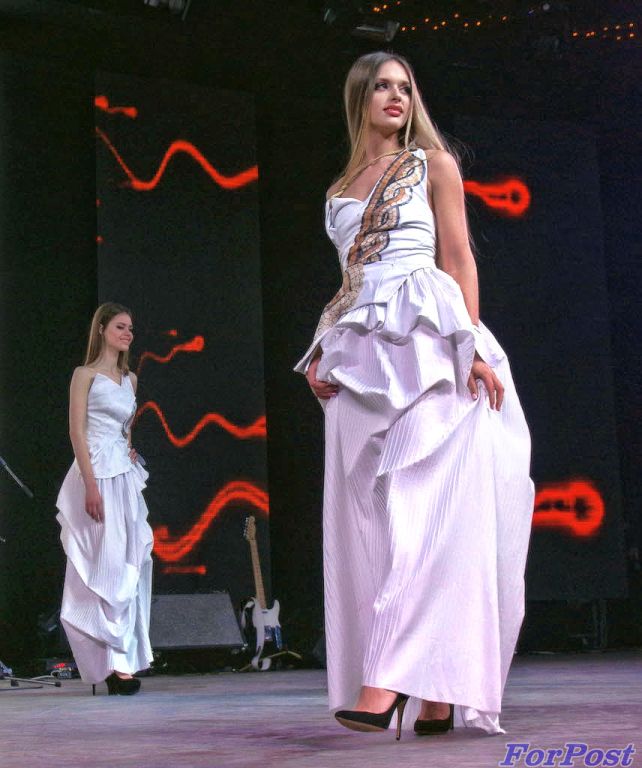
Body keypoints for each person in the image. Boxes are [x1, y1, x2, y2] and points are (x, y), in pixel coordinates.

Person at [294, 52, 534, 737]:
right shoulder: (339, 189)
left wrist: (473, 347)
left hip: (429, 342)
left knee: (427, 516)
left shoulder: (433, 165)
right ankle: (435, 691)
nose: (395, 97)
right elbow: (351, 282)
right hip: (359, 357)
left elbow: (457, 259)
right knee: (372, 525)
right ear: (359, 98)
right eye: (381, 86)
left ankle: (388, 681)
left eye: (405, 87)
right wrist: (320, 349)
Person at [57, 302, 154, 695]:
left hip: (123, 476)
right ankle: (107, 663)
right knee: (102, 563)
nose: (128, 333)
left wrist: (129, 450)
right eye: (120, 327)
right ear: (101, 329)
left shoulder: (130, 379)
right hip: (95, 472)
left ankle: (123, 662)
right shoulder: (84, 375)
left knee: (129, 561)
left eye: (130, 328)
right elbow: (77, 431)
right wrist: (90, 485)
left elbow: (126, 429)